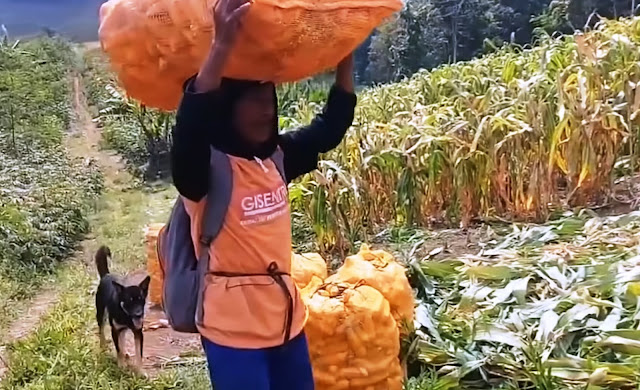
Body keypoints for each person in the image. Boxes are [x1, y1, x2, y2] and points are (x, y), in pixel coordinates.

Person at [169, 0, 357, 387]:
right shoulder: (204, 173)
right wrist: (221, 47)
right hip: (232, 330)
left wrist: (345, 55)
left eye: (268, 100)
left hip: (285, 321)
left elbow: (330, 129)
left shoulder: (276, 157)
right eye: (251, 102)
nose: (265, 111)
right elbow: (188, 131)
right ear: (226, 111)